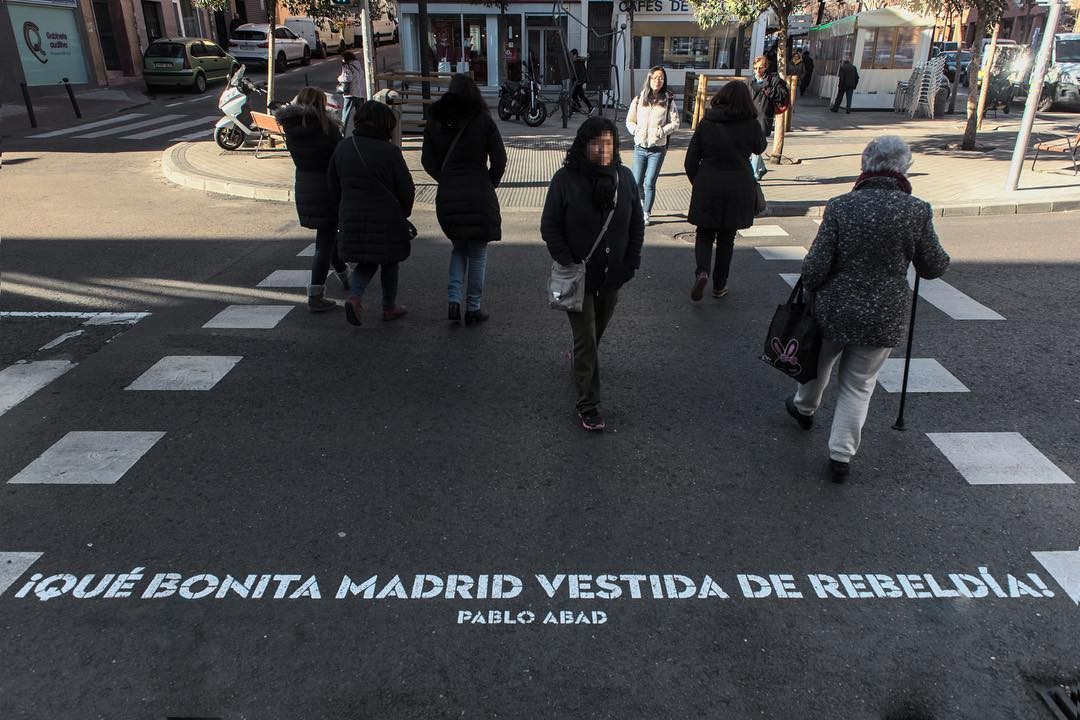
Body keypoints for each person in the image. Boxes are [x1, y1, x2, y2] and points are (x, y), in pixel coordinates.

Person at [783, 136, 950, 482]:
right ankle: (840, 455)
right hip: (882, 315)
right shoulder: (917, 210)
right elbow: (932, 266)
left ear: (864, 166)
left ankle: (803, 408)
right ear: (903, 170)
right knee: (859, 384)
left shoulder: (841, 206)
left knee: (817, 363)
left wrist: (811, 289)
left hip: (834, 308)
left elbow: (814, 267)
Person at [541, 117, 644, 431]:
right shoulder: (565, 179)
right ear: (583, 145)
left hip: (613, 276)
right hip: (578, 276)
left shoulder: (624, 178)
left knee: (595, 333)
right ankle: (588, 404)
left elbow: (636, 224)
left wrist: (631, 262)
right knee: (586, 337)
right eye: (596, 142)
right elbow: (550, 226)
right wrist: (567, 260)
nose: (603, 149)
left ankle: (580, 361)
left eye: (609, 143)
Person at [421, 74, 507, 325]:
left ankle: (453, 301)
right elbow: (500, 160)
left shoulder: (435, 119)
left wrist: (445, 178)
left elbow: (427, 160)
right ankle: (473, 307)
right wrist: (489, 181)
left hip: (448, 193)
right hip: (479, 191)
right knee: (478, 252)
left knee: (459, 247)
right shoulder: (482, 120)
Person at [327, 101, 415, 326]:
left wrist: (343, 207)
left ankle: (355, 298)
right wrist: (404, 212)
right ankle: (389, 307)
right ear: (385, 125)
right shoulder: (390, 152)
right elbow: (406, 187)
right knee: (389, 261)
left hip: (351, 214)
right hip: (385, 217)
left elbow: (332, 184)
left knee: (367, 260)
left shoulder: (344, 147)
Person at [684, 81, 767, 301]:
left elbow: (690, 159)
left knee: (704, 232)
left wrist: (699, 181)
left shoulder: (708, 121)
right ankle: (719, 286)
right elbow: (760, 147)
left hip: (708, 183)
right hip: (738, 187)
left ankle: (702, 271)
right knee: (726, 238)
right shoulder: (750, 123)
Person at [275, 88, 349, 312]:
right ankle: (315, 295)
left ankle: (345, 277)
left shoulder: (291, 128)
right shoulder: (327, 128)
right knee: (324, 242)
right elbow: (340, 156)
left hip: (305, 186)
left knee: (327, 236)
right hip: (327, 188)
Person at [625, 66, 679, 226]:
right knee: (636, 181)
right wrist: (636, 131)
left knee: (649, 182)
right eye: (655, 77)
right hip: (640, 147)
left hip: (657, 148)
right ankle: (640, 206)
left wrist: (661, 131)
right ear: (649, 79)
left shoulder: (668, 100)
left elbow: (675, 123)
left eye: (661, 78)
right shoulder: (639, 99)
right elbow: (629, 120)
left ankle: (646, 212)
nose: (658, 81)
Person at [749, 55, 788, 180]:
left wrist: (771, 91)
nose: (757, 71)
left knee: (756, 146)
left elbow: (783, 96)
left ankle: (753, 174)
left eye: (760, 67)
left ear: (766, 67)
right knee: (751, 145)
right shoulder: (750, 81)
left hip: (764, 115)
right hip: (751, 117)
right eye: (755, 68)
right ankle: (761, 168)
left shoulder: (773, 80)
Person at [338, 51, 366, 137]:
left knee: (345, 115)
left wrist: (339, 78)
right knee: (361, 115)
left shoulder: (347, 66)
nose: (342, 60)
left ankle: (342, 134)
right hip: (360, 93)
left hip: (350, 94)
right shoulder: (358, 65)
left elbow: (347, 78)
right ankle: (362, 133)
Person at [569, 49, 594, 115]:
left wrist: (578, 81)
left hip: (578, 81)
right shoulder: (577, 61)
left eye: (572, 55)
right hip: (578, 81)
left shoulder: (578, 62)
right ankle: (578, 107)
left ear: (575, 55)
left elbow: (579, 73)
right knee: (577, 95)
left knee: (575, 95)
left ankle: (588, 107)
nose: (570, 57)